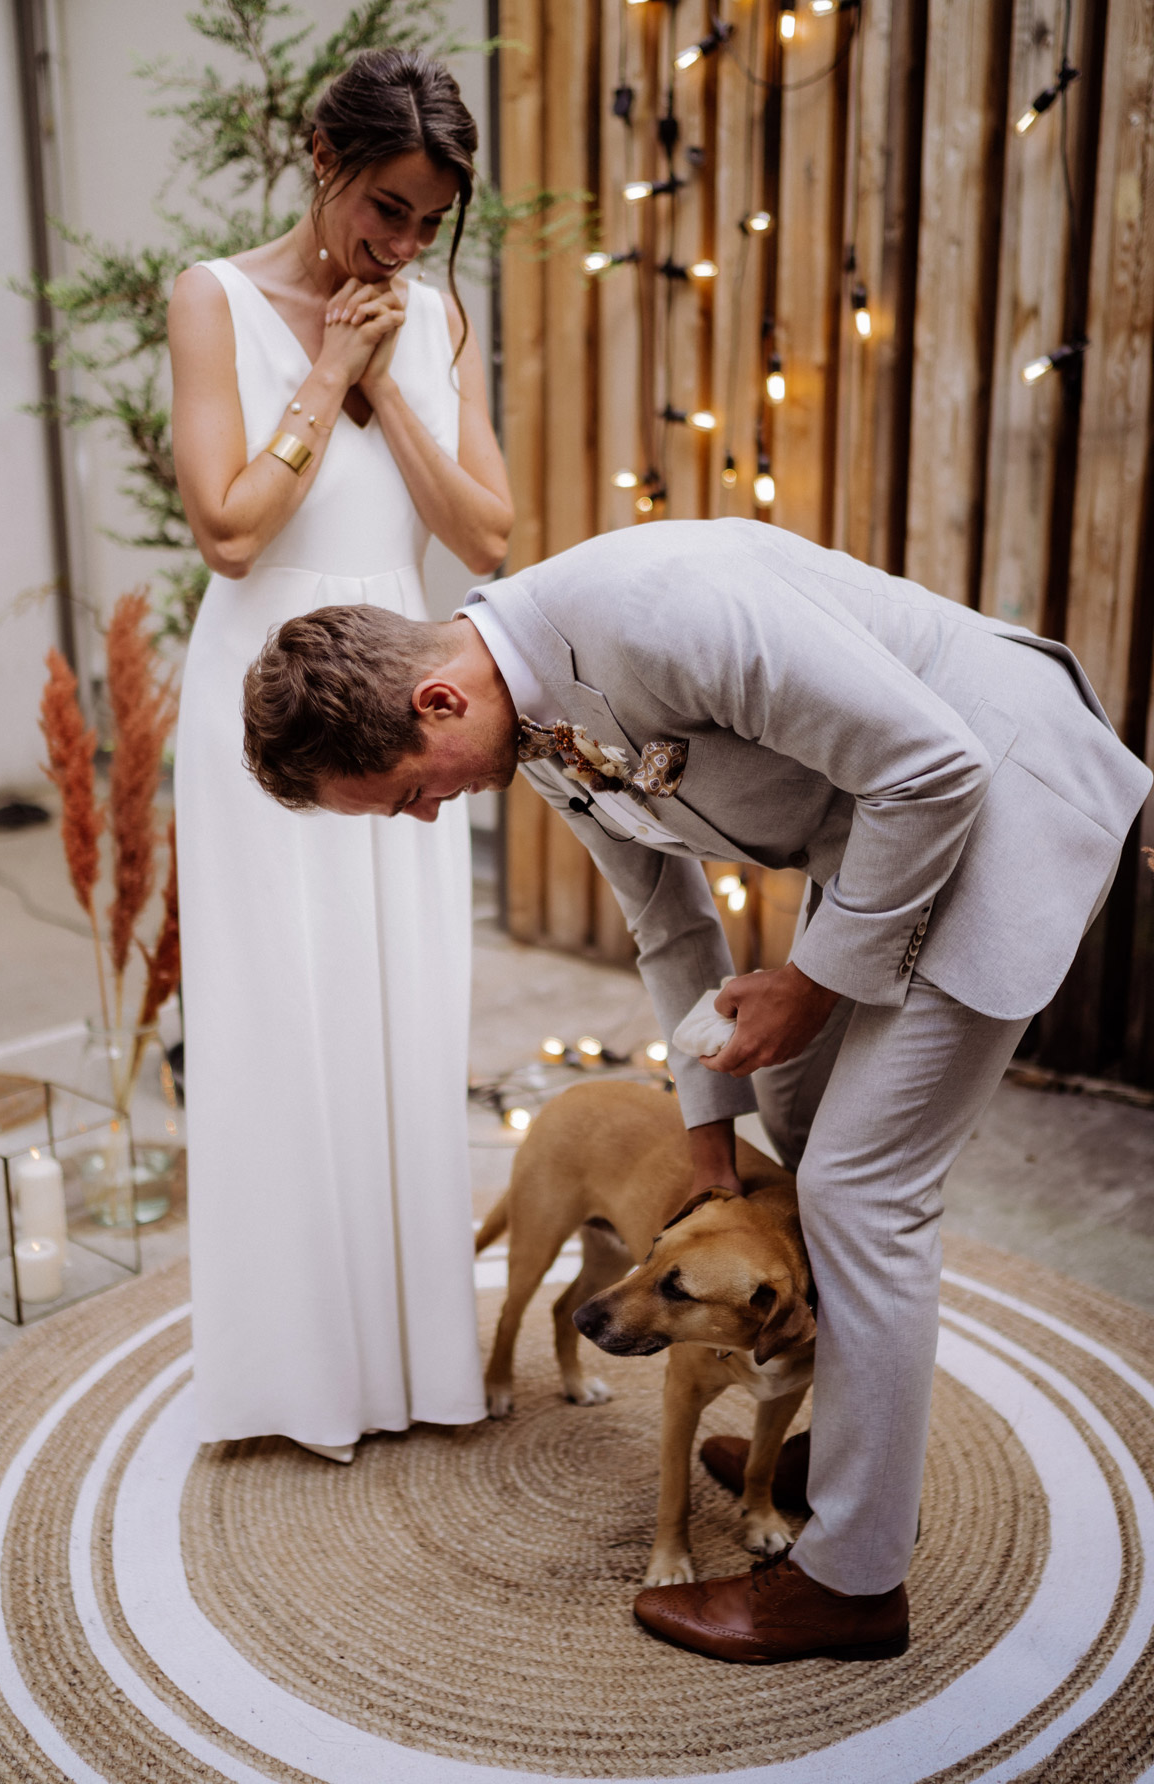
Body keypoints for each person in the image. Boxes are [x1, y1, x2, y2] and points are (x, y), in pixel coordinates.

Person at [238, 515, 1149, 1653]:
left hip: (1003, 795)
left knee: (865, 1191)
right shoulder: (531, 729)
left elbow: (934, 763)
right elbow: (671, 928)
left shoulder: (657, 605)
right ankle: (853, 1447)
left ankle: (854, 1582)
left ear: (436, 705)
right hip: (891, 839)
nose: (430, 817)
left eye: (409, 795)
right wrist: (708, 1143)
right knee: (805, 1131)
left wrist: (810, 986)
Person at [168, 49, 511, 1459]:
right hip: (258, 712)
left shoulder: (439, 318)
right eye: (384, 206)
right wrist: (322, 370)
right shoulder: (214, 299)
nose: (401, 243)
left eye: (427, 220)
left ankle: (417, 1362)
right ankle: (295, 1375)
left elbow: (487, 539)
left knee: (402, 1021)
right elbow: (233, 529)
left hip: (401, 716)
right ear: (323, 157)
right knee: (282, 1030)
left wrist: (395, 391)